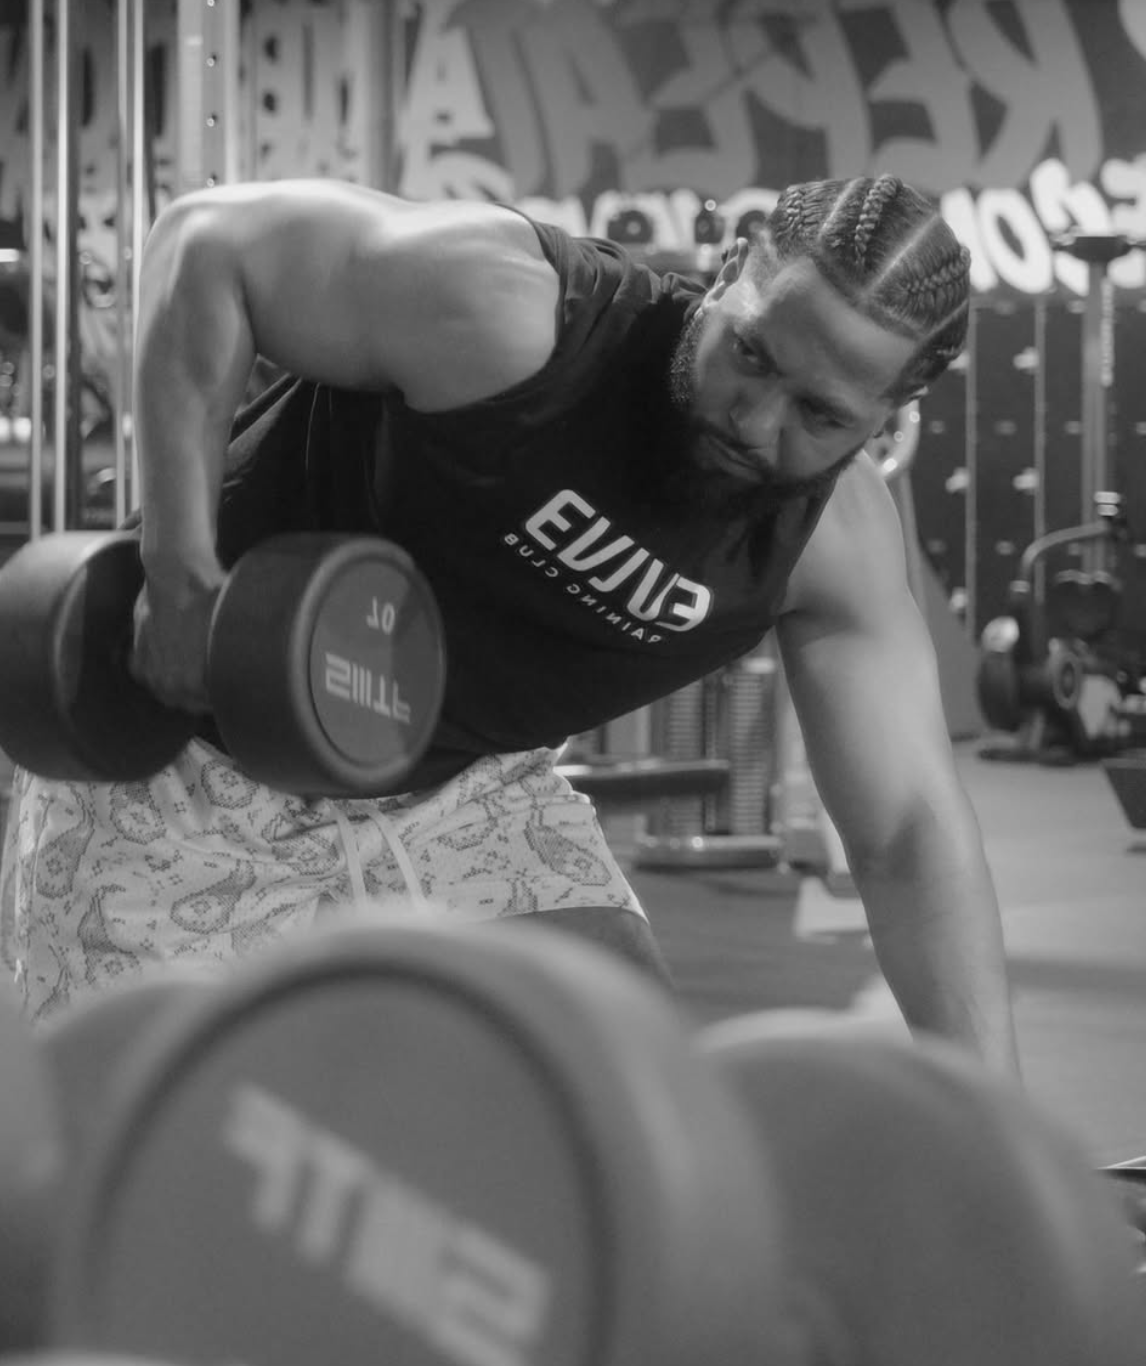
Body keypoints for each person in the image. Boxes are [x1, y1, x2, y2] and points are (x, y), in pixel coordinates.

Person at [0, 173, 1019, 1073]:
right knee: (111, 1184)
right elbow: (205, 243)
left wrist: (992, 1131)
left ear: (893, 409)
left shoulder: (833, 548)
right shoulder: (513, 318)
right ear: (734, 264)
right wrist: (179, 574)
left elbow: (907, 837)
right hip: (179, 769)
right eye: (750, 354)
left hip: (465, 799)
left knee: (630, 1130)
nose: (756, 419)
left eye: (821, 414)